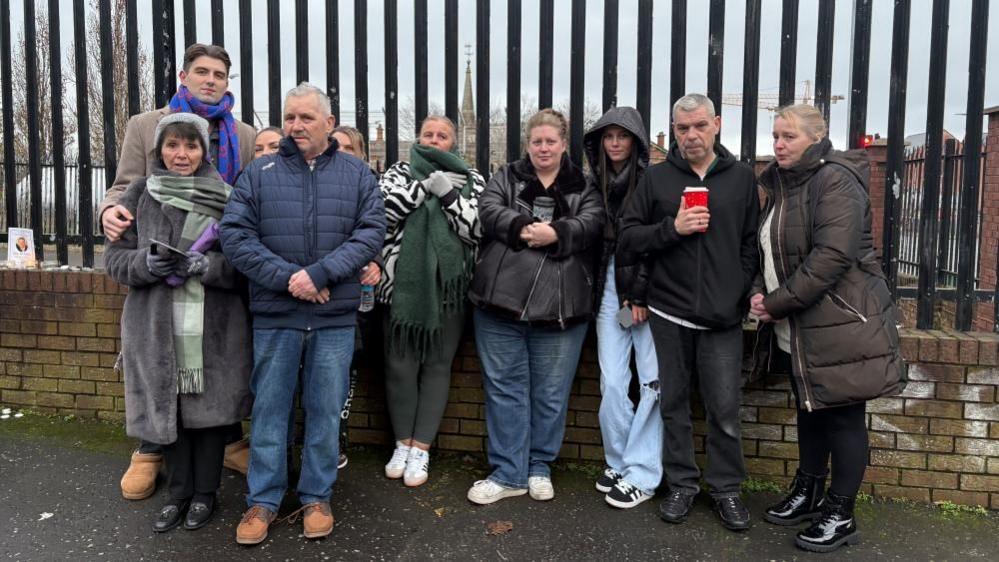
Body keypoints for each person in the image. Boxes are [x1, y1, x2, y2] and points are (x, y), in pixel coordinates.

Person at [220, 83, 384, 546]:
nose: (295, 126)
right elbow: (235, 236)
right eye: (290, 117)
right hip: (276, 315)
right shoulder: (259, 173)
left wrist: (322, 273)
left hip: (333, 317)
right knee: (270, 412)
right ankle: (263, 501)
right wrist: (290, 277)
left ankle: (316, 496)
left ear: (329, 123)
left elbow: (371, 232)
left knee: (324, 412)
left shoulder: (356, 174)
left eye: (306, 118)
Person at [101, 43, 257, 502]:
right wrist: (110, 212)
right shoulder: (145, 125)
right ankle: (150, 450)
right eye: (202, 72)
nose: (211, 80)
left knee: (217, 366)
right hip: (159, 273)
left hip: (214, 277)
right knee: (159, 361)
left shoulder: (244, 134)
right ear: (184, 77)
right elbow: (123, 188)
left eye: (220, 75)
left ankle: (225, 443)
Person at [750, 104, 905, 553]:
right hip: (799, 323)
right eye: (776, 135)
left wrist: (776, 303)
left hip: (840, 321)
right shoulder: (784, 184)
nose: (778, 144)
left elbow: (830, 257)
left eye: (788, 136)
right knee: (809, 407)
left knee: (843, 418)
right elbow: (770, 248)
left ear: (816, 139)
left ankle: (841, 512)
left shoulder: (834, 179)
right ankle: (810, 490)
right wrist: (761, 290)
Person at [618, 94, 759, 531]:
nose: (691, 135)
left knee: (724, 409)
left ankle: (726, 490)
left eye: (699, 125)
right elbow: (627, 238)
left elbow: (750, 245)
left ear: (716, 124)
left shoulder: (741, 179)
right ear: (673, 130)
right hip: (669, 311)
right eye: (683, 128)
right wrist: (671, 229)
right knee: (673, 405)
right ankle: (681, 484)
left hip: (722, 318)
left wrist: (737, 294)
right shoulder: (656, 180)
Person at [466, 109, 604, 505]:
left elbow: (592, 223)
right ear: (528, 144)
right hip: (499, 303)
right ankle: (508, 472)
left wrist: (557, 232)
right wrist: (524, 229)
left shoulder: (586, 186)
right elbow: (489, 210)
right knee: (504, 390)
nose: (543, 148)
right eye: (536, 141)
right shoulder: (505, 176)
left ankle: (540, 466)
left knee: (550, 393)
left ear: (564, 144)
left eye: (551, 141)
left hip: (562, 308)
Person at [377, 115, 484, 487]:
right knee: (399, 367)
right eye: (428, 134)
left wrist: (451, 195)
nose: (434, 140)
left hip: (448, 292)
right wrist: (426, 188)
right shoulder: (397, 173)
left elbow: (476, 231)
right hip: (399, 290)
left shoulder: (473, 179)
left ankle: (421, 449)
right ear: (418, 138)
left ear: (453, 142)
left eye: (442, 136)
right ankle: (402, 444)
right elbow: (384, 213)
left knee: (437, 367)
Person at [582, 107, 661, 509]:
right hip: (607, 292)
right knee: (612, 382)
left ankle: (644, 471)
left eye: (623, 136)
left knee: (651, 381)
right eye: (608, 136)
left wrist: (640, 293)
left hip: (644, 292)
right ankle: (619, 462)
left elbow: (653, 243)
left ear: (636, 141)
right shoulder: (591, 184)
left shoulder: (652, 183)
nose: (615, 143)